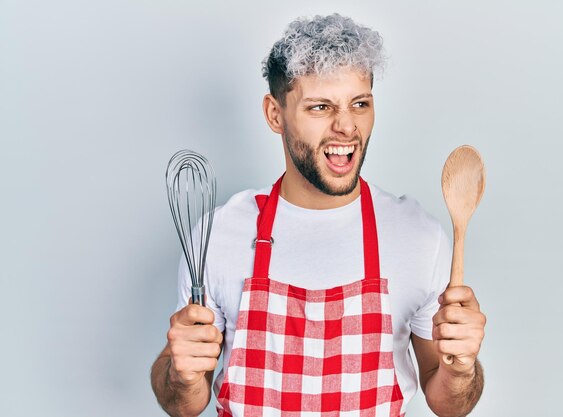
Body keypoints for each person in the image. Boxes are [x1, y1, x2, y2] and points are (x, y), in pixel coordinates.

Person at [151, 13, 486, 417]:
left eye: (359, 103)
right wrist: (181, 373)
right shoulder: (218, 234)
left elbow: (449, 403)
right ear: (275, 115)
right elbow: (182, 405)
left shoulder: (418, 236)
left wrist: (462, 369)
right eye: (321, 107)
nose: (346, 126)